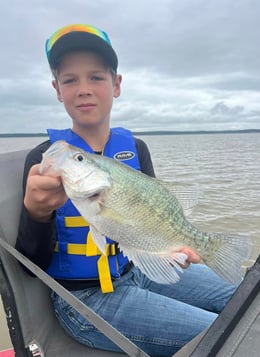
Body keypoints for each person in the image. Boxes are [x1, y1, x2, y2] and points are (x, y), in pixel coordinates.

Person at [16, 24, 237, 356]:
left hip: (138, 272)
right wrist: (37, 211)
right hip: (85, 302)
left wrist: (173, 250)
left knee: (245, 293)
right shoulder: (43, 161)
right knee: (227, 334)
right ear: (57, 90)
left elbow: (156, 217)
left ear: (116, 84)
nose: (84, 89)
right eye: (70, 80)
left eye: (96, 77)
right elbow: (28, 265)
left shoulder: (136, 148)